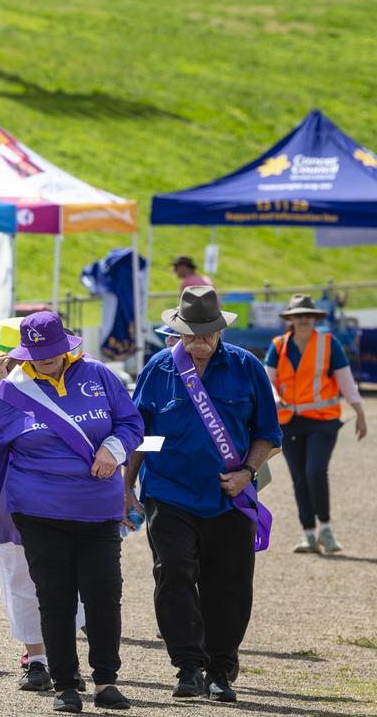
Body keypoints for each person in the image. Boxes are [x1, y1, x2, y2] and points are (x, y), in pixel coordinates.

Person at [0, 311, 143, 713]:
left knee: (104, 594)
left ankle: (106, 681)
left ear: (66, 346)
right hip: (40, 512)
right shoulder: (10, 392)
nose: (45, 359)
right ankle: (65, 685)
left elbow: (131, 422)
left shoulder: (99, 375)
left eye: (51, 351)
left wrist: (115, 448)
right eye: (36, 353)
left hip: (98, 510)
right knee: (56, 597)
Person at [126, 286, 282, 703]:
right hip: (169, 493)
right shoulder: (158, 369)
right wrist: (125, 486)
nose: (200, 339)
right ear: (178, 330)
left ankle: (220, 668)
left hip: (229, 497)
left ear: (220, 331)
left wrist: (248, 472)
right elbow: (139, 435)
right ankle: (188, 666)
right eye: (192, 331)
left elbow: (268, 432)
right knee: (174, 572)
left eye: (207, 331)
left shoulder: (247, 367)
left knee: (228, 584)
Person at [0, 317, 86, 691]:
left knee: (68, 578)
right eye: (15, 360)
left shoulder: (66, 377)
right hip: (7, 497)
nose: (23, 366)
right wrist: (3, 388)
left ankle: (65, 657)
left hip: (62, 494)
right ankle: (35, 658)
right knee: (19, 578)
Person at [265, 294, 367, 554]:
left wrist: (360, 412)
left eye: (308, 315)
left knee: (315, 472)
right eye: (298, 316)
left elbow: (346, 381)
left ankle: (326, 530)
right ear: (290, 319)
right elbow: (269, 382)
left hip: (323, 422)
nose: (304, 320)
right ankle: (308, 535)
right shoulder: (278, 345)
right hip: (288, 423)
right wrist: (276, 400)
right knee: (299, 478)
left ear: (315, 318)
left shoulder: (329, 344)